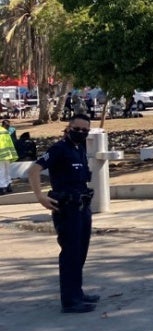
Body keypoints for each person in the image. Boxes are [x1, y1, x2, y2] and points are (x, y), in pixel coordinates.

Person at [28, 114, 98, 313]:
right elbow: (33, 170)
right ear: (68, 128)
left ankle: (77, 292)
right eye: (77, 129)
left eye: (85, 130)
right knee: (70, 254)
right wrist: (40, 196)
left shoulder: (80, 149)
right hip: (67, 209)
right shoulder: (59, 149)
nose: (80, 133)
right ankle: (70, 301)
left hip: (82, 206)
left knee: (81, 251)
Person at [0, 118, 16, 193]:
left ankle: (2, 187)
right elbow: (10, 143)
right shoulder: (5, 132)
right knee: (7, 170)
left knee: (1, 171)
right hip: (7, 154)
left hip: (1, 155)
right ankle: (8, 186)